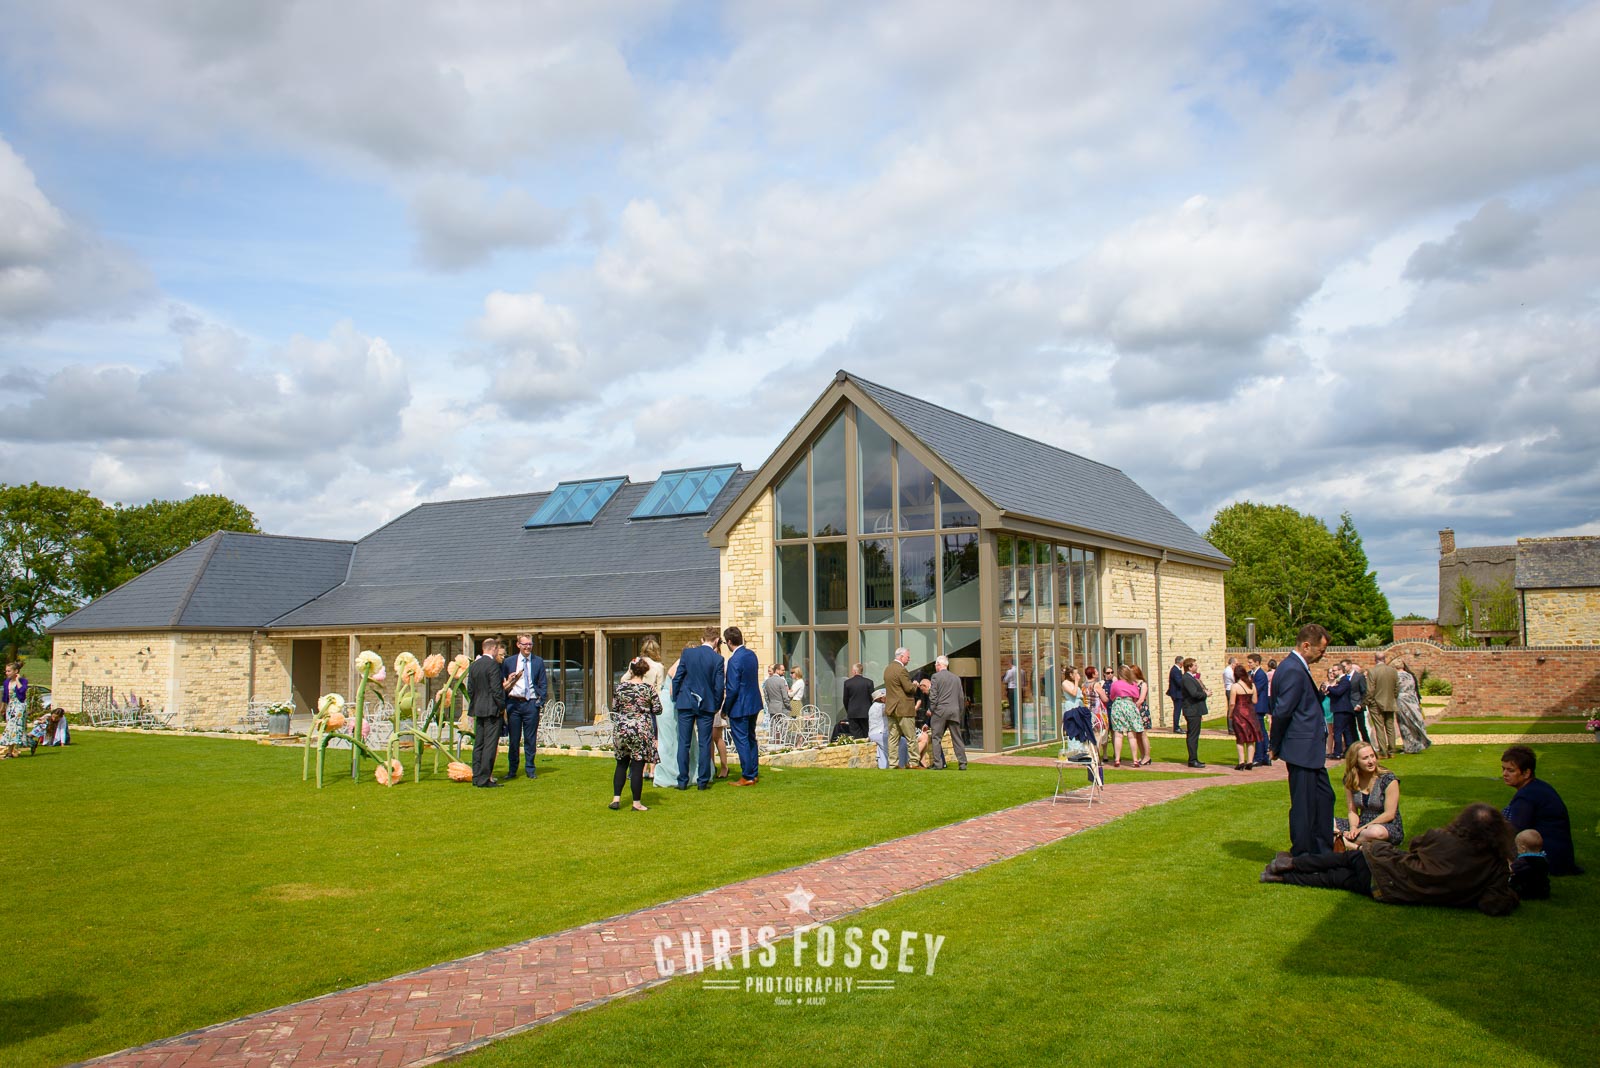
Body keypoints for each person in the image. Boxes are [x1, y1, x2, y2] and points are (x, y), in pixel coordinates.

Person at [1260, 803, 1519, 916]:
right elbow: (1492, 903)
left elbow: (1416, 844)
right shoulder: (1495, 866)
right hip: (1392, 891)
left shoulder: (1441, 838)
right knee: (1337, 879)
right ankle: (1282, 875)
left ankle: (1291, 863)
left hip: (1389, 871)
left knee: (1344, 861)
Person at [1269, 623, 1335, 856]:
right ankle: (1304, 852)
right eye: (1321, 650)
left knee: (1325, 797)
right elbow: (1282, 711)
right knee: (1305, 805)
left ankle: (1321, 848)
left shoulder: (1297, 668)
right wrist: (1274, 745)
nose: (1323, 655)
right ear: (1306, 645)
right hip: (1301, 748)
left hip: (1309, 749)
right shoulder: (1293, 669)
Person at [1500, 746, 1582, 875]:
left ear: (1526, 773)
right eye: (1503, 769)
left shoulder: (1527, 796)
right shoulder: (1537, 787)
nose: (1504, 774)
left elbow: (1515, 830)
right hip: (1560, 854)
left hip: (1548, 858)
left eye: (1510, 770)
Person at [670, 625, 725, 791]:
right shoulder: (717, 659)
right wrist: (716, 705)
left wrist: (676, 698)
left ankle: (682, 781)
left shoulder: (688, 653)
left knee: (684, 743)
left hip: (686, 703)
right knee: (704, 743)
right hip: (707, 705)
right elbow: (719, 687)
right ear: (716, 641)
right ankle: (702, 781)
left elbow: (677, 678)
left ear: (702, 639)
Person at [608, 658, 660, 811]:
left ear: (630, 669)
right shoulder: (648, 689)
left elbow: (615, 707)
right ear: (644, 671)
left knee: (621, 763)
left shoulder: (620, 687)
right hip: (641, 729)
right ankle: (636, 803)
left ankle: (616, 799)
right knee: (637, 766)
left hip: (622, 728)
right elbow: (658, 709)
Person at [1334, 742, 1404, 847]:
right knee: (1325, 822)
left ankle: (1343, 842)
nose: (1371, 761)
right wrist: (1353, 828)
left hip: (1385, 826)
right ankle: (1354, 846)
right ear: (1355, 761)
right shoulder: (1350, 780)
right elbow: (1352, 811)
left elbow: (1389, 814)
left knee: (1374, 832)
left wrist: (1361, 829)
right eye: (1365, 758)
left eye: (1372, 756)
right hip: (1361, 823)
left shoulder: (1388, 779)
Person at [502, 634, 547, 781]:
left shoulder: (538, 662)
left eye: (530, 644)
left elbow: (542, 683)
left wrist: (539, 701)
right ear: (518, 645)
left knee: (530, 739)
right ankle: (512, 770)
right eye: (525, 644)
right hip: (514, 704)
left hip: (531, 704)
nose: (528, 647)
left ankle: (530, 769)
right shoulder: (509, 662)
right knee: (514, 739)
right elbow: (502, 684)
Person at [721, 626, 762, 786]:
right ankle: (754, 772)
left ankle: (747, 775)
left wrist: (725, 709)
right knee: (751, 738)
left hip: (740, 706)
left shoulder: (734, 660)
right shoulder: (752, 655)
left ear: (730, 642)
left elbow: (732, 688)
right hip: (753, 703)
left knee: (742, 740)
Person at [467, 638, 508, 788]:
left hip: (479, 709)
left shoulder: (474, 666)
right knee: (490, 745)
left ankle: (476, 776)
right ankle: (485, 779)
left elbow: (470, 689)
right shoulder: (493, 666)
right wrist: (502, 706)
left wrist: (477, 702)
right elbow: (497, 690)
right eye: (497, 649)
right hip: (492, 710)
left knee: (479, 744)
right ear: (493, 649)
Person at [652, 649, 688, 789]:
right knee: (668, 740)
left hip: (670, 704)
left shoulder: (681, 663)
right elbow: (673, 690)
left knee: (674, 739)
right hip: (669, 705)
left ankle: (678, 771)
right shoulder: (680, 664)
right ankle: (668, 773)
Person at [926, 655, 968, 771]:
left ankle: (938, 764)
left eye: (935, 665)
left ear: (939, 665)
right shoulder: (956, 678)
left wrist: (931, 709)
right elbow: (961, 698)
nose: (935, 667)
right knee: (957, 738)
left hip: (940, 712)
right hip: (954, 711)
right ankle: (962, 763)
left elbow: (933, 696)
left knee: (936, 738)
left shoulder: (935, 677)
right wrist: (959, 712)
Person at [882, 647, 919, 769]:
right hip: (904, 708)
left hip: (891, 708)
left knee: (893, 738)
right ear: (901, 656)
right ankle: (913, 763)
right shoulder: (901, 670)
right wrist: (915, 685)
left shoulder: (887, 669)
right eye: (908, 657)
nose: (909, 659)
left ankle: (893, 764)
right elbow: (908, 688)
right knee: (911, 737)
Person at [1107, 667, 1146, 768]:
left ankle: (1117, 759)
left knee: (1118, 733)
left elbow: (1112, 696)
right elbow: (1136, 695)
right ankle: (1135, 760)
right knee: (1131, 734)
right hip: (1129, 705)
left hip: (1118, 705)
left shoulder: (1115, 684)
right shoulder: (1133, 684)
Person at [1393, 659, 1433, 754]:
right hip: (1412, 700)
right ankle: (1418, 743)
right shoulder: (1410, 675)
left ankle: (1409, 746)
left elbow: (1395, 690)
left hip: (1402, 700)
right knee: (1414, 721)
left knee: (1404, 723)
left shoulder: (1396, 676)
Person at [638, 637, 665, 777]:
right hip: (652, 706)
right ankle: (653, 770)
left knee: (641, 737)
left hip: (638, 705)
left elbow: (624, 679)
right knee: (655, 737)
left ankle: (641, 769)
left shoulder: (637, 664)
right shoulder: (658, 667)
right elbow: (660, 689)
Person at [1365, 652, 1399, 758]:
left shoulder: (1372, 671)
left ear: (1375, 659)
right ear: (1385, 659)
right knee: (1390, 727)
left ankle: (1383, 751)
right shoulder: (1393, 671)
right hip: (1390, 701)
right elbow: (1397, 687)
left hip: (1376, 703)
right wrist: (1393, 697)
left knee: (1379, 727)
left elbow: (1370, 689)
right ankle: (1392, 750)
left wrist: (1367, 701)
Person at [1229, 665, 1262, 771]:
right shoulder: (1252, 685)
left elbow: (1232, 703)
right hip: (1250, 713)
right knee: (1251, 739)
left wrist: (1230, 714)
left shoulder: (1235, 686)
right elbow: (1255, 701)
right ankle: (1250, 762)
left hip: (1239, 713)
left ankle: (1241, 761)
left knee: (1240, 738)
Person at [1176, 659, 1208, 768]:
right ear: (1189, 667)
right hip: (1191, 710)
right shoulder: (1187, 678)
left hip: (1195, 710)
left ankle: (1194, 758)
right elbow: (1193, 693)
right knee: (1193, 735)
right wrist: (1205, 694)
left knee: (1194, 735)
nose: (1196, 666)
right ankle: (1192, 759)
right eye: (1194, 665)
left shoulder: (1191, 678)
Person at [1325, 661, 1359, 760]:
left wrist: (1329, 687)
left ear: (1340, 670)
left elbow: (1339, 692)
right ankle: (1348, 751)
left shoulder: (1345, 681)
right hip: (1341, 709)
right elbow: (1336, 694)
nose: (1333, 673)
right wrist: (1328, 691)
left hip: (1342, 709)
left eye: (1334, 671)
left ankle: (1337, 752)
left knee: (1338, 731)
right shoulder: (1341, 681)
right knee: (1346, 731)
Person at [1, 661, 32, 758]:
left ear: (16, 671)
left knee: (13, 727)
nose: (7, 673)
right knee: (15, 728)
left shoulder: (23, 681)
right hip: (10, 706)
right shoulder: (6, 682)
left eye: (9, 671)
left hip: (19, 706)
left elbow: (22, 692)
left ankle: (9, 752)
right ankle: (31, 743)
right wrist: (3, 707)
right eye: (6, 671)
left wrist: (18, 680)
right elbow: (5, 696)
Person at [1510, 829, 1551, 901]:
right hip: (1542, 890)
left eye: (1517, 847)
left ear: (1523, 849)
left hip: (1524, 890)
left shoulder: (1522, 861)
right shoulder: (1543, 858)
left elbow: (1511, 871)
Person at [840, 662, 874, 740]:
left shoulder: (848, 683)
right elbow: (872, 697)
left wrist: (849, 710)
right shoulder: (869, 682)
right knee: (867, 734)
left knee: (856, 735)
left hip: (853, 712)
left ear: (854, 671)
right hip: (866, 712)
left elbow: (845, 699)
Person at [1249, 653, 1271, 766]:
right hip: (1255, 707)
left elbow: (1255, 689)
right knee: (1260, 731)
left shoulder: (1261, 675)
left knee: (1259, 732)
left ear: (1257, 662)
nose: (1249, 664)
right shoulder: (1252, 674)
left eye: (1250, 662)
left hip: (1259, 707)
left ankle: (1260, 756)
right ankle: (1264, 756)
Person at [1348, 660, 1371, 746]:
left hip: (1358, 705)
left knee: (1362, 727)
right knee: (1352, 728)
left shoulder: (1360, 677)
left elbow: (1364, 692)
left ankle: (1367, 744)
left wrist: (1360, 704)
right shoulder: (1346, 678)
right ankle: (1356, 744)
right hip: (1349, 706)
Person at [867, 688, 890, 769]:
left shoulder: (873, 706)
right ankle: (901, 764)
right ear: (881, 698)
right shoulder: (881, 707)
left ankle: (883, 767)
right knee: (902, 742)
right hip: (879, 734)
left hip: (874, 735)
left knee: (882, 750)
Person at [1167, 655, 1185, 733]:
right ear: (1180, 662)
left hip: (1178, 693)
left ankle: (1177, 726)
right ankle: (1176, 727)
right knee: (1177, 710)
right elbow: (1179, 682)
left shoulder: (1177, 670)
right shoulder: (1175, 670)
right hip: (1177, 694)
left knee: (1178, 710)